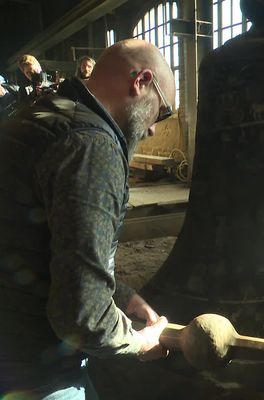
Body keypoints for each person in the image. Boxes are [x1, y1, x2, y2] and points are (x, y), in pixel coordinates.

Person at [0, 38, 175, 399]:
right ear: (141, 82)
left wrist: (122, 295)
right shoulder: (91, 147)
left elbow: (43, 244)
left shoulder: (43, 114)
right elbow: (81, 314)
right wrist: (138, 342)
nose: (155, 129)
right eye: (163, 111)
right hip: (34, 370)